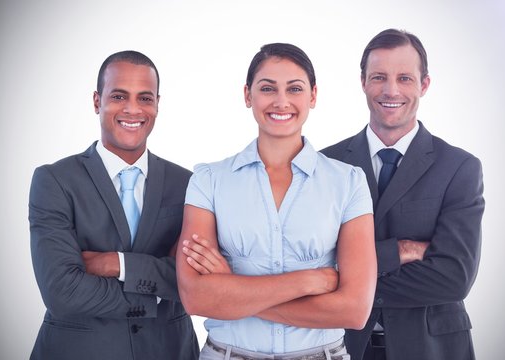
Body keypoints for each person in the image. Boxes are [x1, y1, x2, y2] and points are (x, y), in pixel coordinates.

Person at [176, 43, 377, 359]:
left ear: (312, 95)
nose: (281, 101)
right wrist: (310, 280)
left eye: (294, 89)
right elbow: (196, 298)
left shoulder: (348, 182)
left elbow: (353, 310)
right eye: (267, 88)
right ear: (248, 95)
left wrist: (233, 289)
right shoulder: (208, 181)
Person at [321, 29, 485, 360]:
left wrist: (347, 286)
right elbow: (309, 261)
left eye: (405, 78)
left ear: (424, 85)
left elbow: (454, 277)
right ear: (363, 82)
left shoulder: (459, 167)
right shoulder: (325, 165)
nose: (391, 90)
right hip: (341, 347)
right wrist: (400, 251)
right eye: (379, 77)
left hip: (432, 349)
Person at [29, 50, 199, 360]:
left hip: (169, 351)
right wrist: (157, 298)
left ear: (158, 103)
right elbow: (62, 292)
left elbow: (197, 283)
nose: (133, 109)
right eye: (119, 96)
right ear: (97, 101)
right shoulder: (54, 180)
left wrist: (117, 264)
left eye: (145, 98)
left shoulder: (189, 183)